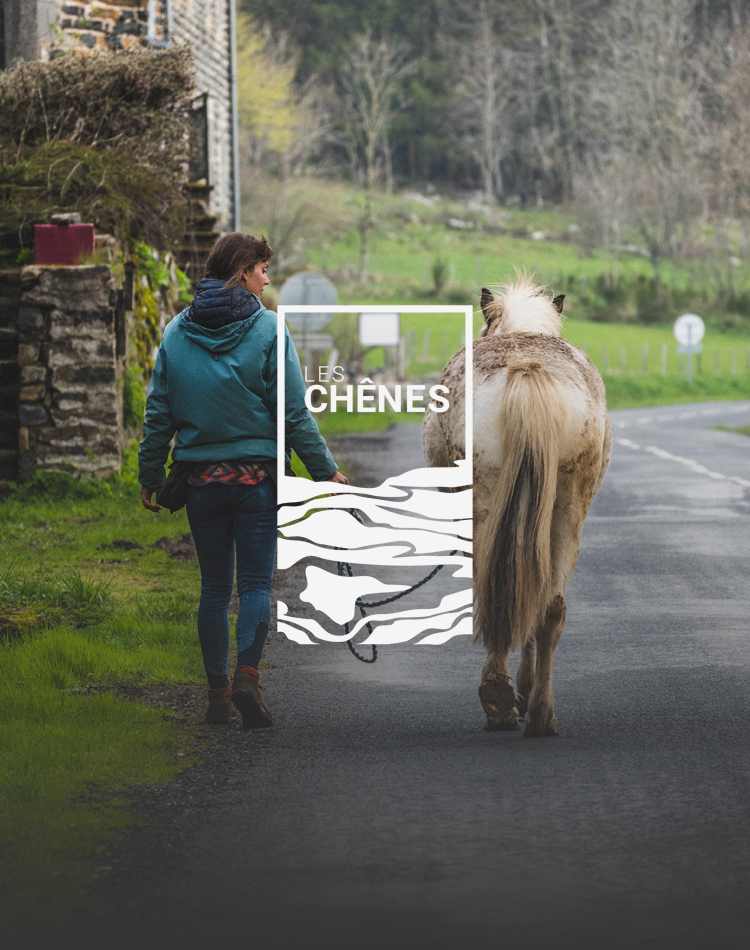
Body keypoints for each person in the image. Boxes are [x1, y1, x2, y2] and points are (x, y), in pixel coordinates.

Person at [137, 232, 348, 728]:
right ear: (241, 272)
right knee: (255, 584)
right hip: (256, 482)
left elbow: (158, 414)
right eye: (261, 269)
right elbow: (294, 414)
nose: (267, 279)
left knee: (213, 590)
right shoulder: (270, 328)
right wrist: (325, 471)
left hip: (200, 484)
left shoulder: (174, 333)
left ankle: (217, 697)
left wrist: (149, 474)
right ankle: (248, 676)